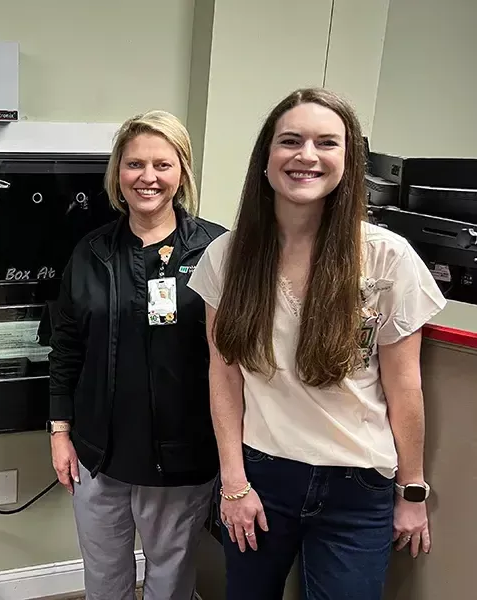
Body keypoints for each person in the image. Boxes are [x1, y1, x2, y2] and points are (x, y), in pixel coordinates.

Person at [187, 88, 446, 600]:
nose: (307, 155)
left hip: (358, 486)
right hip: (261, 474)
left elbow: (404, 385)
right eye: (291, 141)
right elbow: (224, 375)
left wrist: (412, 491)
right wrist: (233, 483)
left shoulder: (388, 259)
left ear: (348, 163)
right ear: (266, 159)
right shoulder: (226, 257)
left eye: (327, 142)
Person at [47, 110, 226, 600]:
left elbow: (236, 360)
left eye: (163, 165)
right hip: (99, 453)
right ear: (117, 174)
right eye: (135, 164)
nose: (148, 177)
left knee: (170, 578)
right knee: (104, 577)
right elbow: (65, 347)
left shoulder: (217, 251)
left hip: (183, 454)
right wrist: (60, 431)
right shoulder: (91, 252)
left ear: (182, 173)